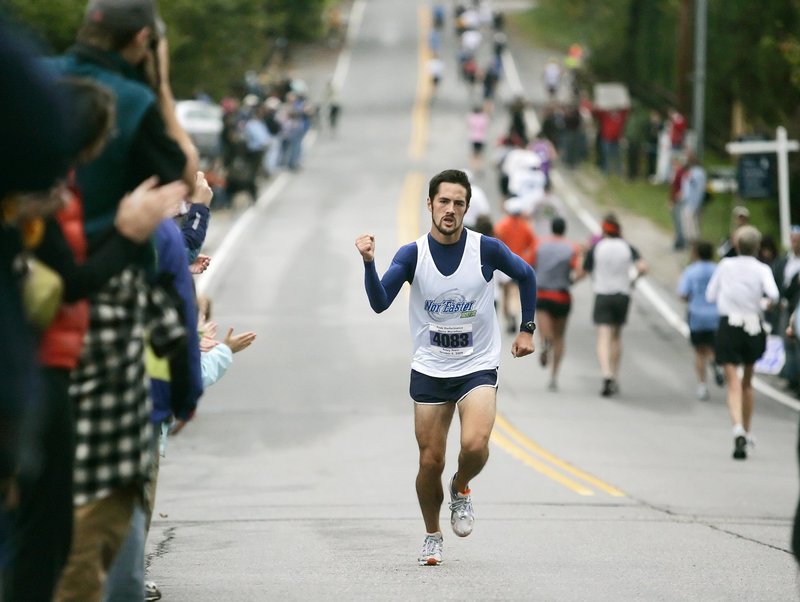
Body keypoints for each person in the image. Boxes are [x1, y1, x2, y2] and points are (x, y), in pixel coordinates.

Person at [44, 1, 198, 599]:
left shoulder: (40, 80)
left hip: (28, 303)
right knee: (103, 500)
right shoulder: (129, 103)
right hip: (104, 312)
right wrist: (158, 85)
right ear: (141, 40)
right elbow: (184, 175)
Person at [354, 169, 537, 566]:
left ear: (467, 207)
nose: (450, 210)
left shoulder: (485, 249)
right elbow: (380, 302)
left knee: (474, 445)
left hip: (477, 365)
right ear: (430, 205)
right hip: (431, 368)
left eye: (458, 203)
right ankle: (432, 534)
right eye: (443, 202)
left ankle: (462, 486)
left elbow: (526, 274)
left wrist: (527, 329)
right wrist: (370, 263)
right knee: (429, 461)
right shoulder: (412, 255)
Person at [706, 225, 779, 460]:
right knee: (748, 381)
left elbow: (710, 294)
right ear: (757, 247)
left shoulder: (726, 266)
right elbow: (773, 295)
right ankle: (747, 432)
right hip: (753, 326)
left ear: (737, 245)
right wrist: (762, 304)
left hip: (730, 324)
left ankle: (737, 427)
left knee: (732, 381)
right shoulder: (762, 269)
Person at [583, 214, 647, 396]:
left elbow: (585, 269)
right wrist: (633, 280)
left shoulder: (597, 247)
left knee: (603, 337)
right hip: (622, 294)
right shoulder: (627, 247)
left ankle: (606, 373)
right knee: (616, 337)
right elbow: (642, 267)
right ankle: (616, 375)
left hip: (603, 293)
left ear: (604, 231)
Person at [532, 216, 584, 391]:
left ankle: (545, 343)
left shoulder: (540, 244)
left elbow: (530, 263)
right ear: (564, 230)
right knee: (560, 337)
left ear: (552, 228)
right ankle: (554, 375)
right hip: (562, 296)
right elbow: (578, 270)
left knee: (545, 331)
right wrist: (571, 281)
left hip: (543, 294)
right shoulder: (572, 247)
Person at [677, 240, 723, 401]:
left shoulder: (691, 271)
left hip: (696, 314)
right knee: (712, 346)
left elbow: (683, 293)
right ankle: (716, 363)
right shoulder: (718, 270)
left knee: (698, 350)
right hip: (715, 315)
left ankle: (702, 385)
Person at [493, 197, 537, 334]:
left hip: (503, 263)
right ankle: (513, 314)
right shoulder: (526, 227)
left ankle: (507, 316)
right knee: (514, 293)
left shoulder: (501, 225)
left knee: (505, 294)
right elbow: (533, 244)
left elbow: (495, 244)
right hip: (519, 262)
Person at [679, 153, 707, 244]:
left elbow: (698, 190)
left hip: (693, 204)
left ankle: (695, 246)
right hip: (690, 202)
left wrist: (695, 205)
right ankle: (692, 246)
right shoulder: (692, 172)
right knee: (690, 227)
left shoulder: (697, 173)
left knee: (693, 228)